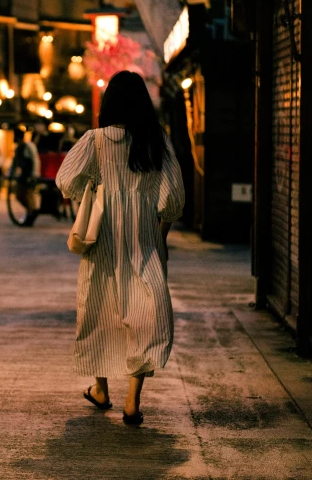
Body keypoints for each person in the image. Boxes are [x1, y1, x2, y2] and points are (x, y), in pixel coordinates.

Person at [56, 71, 185, 426]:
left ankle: (101, 390)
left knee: (98, 312)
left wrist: (95, 189)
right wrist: (161, 238)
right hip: (144, 240)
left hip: (103, 243)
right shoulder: (155, 141)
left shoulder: (94, 141)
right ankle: (132, 401)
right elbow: (173, 199)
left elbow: (65, 181)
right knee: (145, 316)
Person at [10, 128, 41, 226]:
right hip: (23, 175)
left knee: (28, 194)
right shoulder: (18, 148)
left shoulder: (29, 146)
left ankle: (31, 214)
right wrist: (10, 173)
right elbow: (15, 163)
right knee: (20, 194)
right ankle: (31, 212)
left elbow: (35, 160)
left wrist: (34, 174)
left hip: (29, 174)